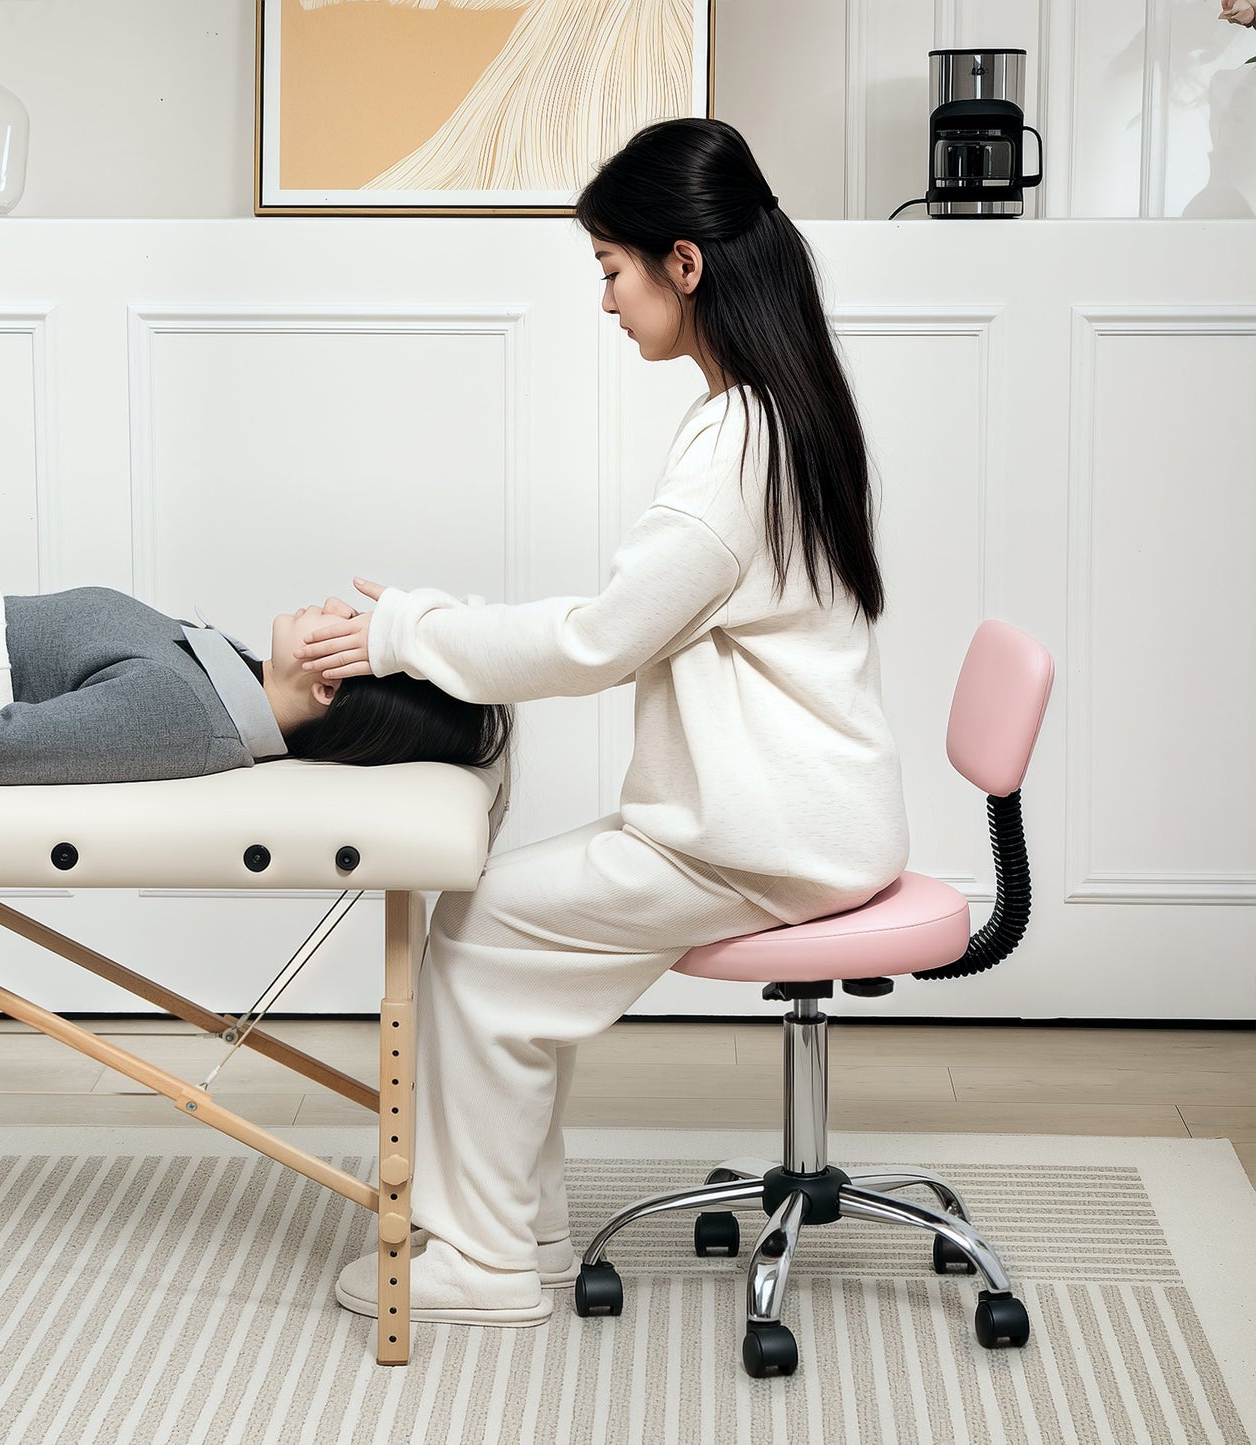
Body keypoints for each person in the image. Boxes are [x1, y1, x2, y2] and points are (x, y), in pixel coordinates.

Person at [302, 117, 912, 1327]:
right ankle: (511, 1235)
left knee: (476, 932)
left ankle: (486, 1264)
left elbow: (597, 639)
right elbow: (629, 618)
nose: (604, 299)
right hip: (799, 818)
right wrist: (441, 622)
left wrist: (402, 631)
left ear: (683, 264)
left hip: (761, 838)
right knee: (499, 937)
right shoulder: (782, 409)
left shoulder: (737, 438)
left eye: (610, 270)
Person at [0, 548, 512, 785]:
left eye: (353, 624)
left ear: (330, 684)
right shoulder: (208, 670)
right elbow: (31, 651)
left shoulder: (179, 712)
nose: (334, 602)